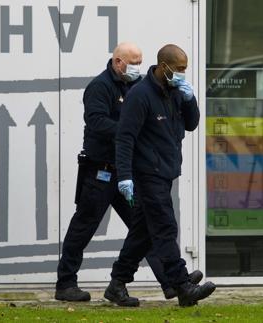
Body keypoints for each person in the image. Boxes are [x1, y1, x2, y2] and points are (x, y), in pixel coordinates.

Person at [55, 42, 202, 304]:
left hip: (130, 170)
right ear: (118, 61)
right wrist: (134, 130)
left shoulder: (138, 88)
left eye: (140, 61)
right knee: (85, 225)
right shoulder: (100, 87)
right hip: (102, 170)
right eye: (133, 62)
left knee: (145, 227)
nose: (137, 67)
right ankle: (66, 282)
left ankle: (168, 281)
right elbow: (98, 122)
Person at [105, 44, 216, 307]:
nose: (182, 74)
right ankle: (182, 285)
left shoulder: (176, 91)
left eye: (185, 69)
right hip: (147, 173)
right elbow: (125, 137)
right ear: (164, 66)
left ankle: (117, 283)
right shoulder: (140, 95)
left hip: (166, 171)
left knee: (143, 232)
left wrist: (190, 101)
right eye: (179, 69)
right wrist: (124, 176)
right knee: (165, 226)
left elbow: (190, 124)